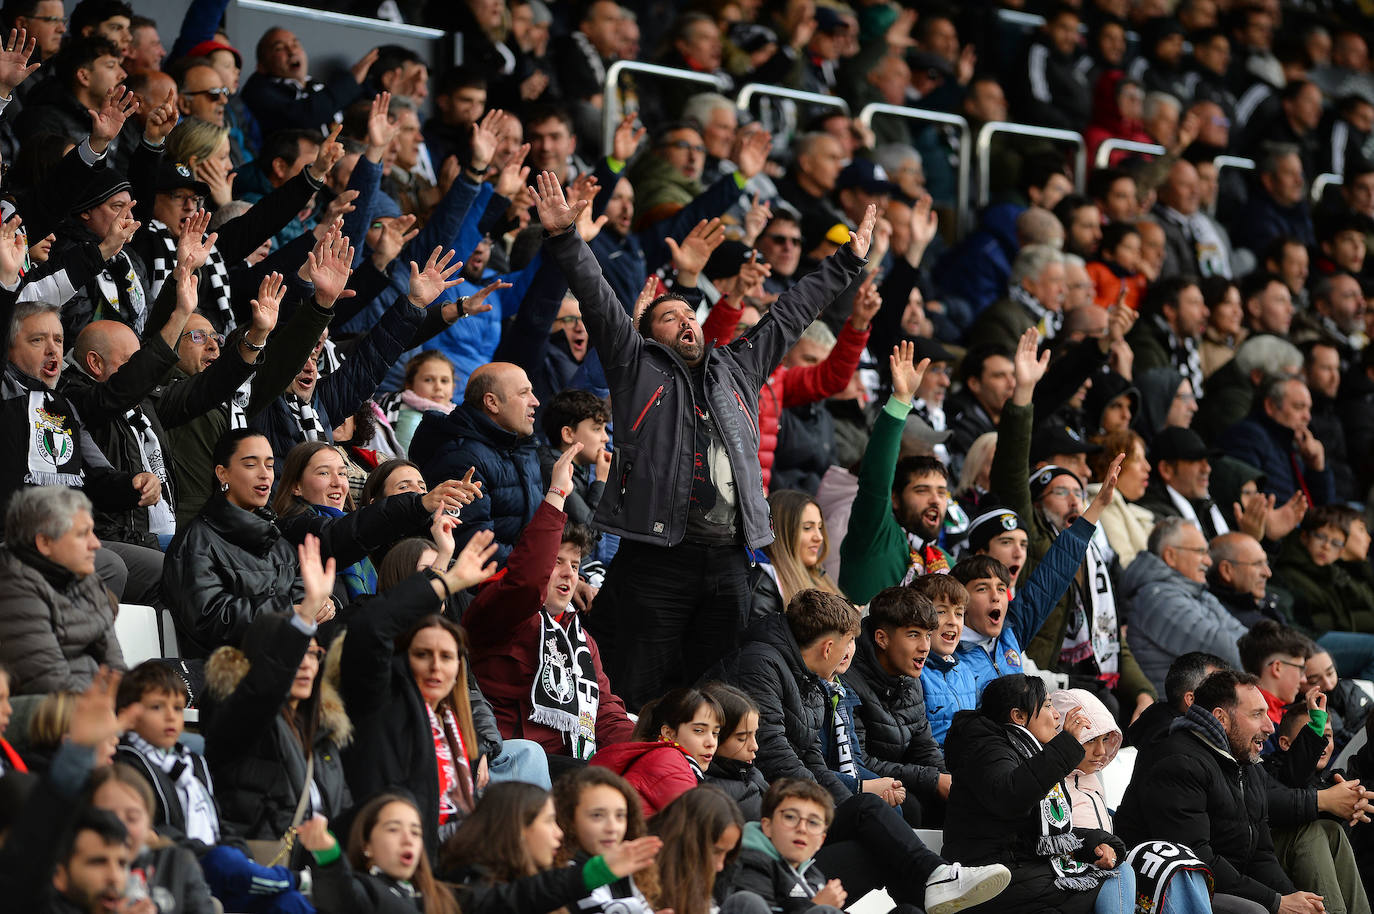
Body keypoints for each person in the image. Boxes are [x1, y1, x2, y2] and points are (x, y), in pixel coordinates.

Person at [530, 172, 878, 709]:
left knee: (718, 690)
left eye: (690, 314)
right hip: (658, 557)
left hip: (730, 561)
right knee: (641, 688)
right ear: (649, 334)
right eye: (670, 317)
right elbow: (598, 299)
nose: (686, 321)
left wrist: (845, 263)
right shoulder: (633, 364)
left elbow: (789, 314)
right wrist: (564, 238)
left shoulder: (737, 367)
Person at [707, 588, 1013, 914]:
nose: (849, 654)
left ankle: (937, 884)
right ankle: (937, 878)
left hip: (787, 810)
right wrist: (836, 808)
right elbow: (772, 752)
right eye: (847, 643)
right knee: (873, 822)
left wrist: (845, 805)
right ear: (829, 648)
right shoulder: (763, 664)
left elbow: (811, 758)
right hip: (768, 835)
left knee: (882, 837)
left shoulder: (813, 678)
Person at [340, 528, 549, 856]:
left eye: (447, 657)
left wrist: (481, 747)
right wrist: (447, 582)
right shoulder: (383, 684)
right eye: (423, 655)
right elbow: (372, 628)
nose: (437, 667)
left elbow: (475, 703)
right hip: (393, 849)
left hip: (450, 844)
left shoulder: (447, 706)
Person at [163, 429, 459, 657]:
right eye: (251, 465)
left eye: (269, 464)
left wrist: (323, 606)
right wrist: (292, 610)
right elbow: (208, 619)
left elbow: (302, 592)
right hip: (233, 669)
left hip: (295, 659)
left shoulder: (276, 538)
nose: (265, 474)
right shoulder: (198, 539)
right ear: (222, 473)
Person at [990, 330, 1155, 722]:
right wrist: (1024, 396)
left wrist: (1144, 691)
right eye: (1061, 492)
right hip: (1040, 684)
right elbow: (1012, 467)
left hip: (1095, 679)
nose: (1074, 500)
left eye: (1077, 491)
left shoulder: (1094, 551)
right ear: (1036, 503)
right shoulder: (1030, 541)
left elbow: (1113, 634)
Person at [465, 445, 633, 770]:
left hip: (570, 763)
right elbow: (528, 580)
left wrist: (644, 752)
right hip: (509, 764)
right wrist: (557, 494)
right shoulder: (503, 611)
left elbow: (606, 711)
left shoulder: (580, 638)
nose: (570, 572)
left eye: (575, 564)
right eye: (557, 561)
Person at [112, 660, 315, 913]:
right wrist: (212, 854)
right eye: (157, 707)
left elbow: (217, 822)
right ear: (129, 714)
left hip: (219, 867)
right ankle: (291, 880)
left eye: (177, 707)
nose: (170, 716)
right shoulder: (126, 765)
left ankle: (278, 883)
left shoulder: (193, 761)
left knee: (290, 903)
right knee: (224, 860)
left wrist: (239, 853)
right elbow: (153, 831)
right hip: (179, 869)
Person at [1116, 670, 1326, 914]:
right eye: (1257, 714)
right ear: (1221, 718)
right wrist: (1275, 902)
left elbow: (1261, 854)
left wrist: (1293, 899)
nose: (1270, 727)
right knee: (1257, 912)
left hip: (1222, 883)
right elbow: (1198, 859)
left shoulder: (1247, 764)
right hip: (1164, 889)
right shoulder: (1178, 762)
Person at [200, 540, 352, 854]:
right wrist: (306, 613)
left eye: (312, 655)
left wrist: (336, 869)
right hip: (263, 873)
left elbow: (341, 819)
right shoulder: (239, 717)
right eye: (296, 654)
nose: (306, 665)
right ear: (264, 661)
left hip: (315, 873)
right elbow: (261, 693)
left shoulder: (321, 731)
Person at [942, 673, 1130, 914]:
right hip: (986, 876)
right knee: (1112, 879)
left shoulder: (1023, 750)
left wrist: (1102, 843)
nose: (1056, 715)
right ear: (1018, 716)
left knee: (1117, 870)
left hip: (1018, 868)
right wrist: (1066, 746)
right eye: (1048, 705)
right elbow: (1011, 797)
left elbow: (1039, 833)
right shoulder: (986, 748)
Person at [1047, 688, 1215, 914]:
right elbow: (1048, 840)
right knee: (1123, 871)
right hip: (1072, 874)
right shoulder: (1047, 781)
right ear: (1062, 736)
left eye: (1105, 739)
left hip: (1106, 863)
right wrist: (1095, 849)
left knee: (1177, 862)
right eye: (1089, 741)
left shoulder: (1091, 776)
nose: (1100, 751)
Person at [438, 782, 663, 914]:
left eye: (620, 816)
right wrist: (595, 872)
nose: (559, 833)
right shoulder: (465, 883)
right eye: (549, 821)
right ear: (517, 827)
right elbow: (514, 898)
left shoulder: (530, 880)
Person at [838, 341, 945, 604]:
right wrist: (900, 401)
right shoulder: (875, 535)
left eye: (942, 492)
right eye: (922, 490)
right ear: (894, 498)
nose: (935, 500)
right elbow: (876, 475)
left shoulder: (944, 563)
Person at [0, 486, 123, 696]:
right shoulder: (14, 589)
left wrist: (130, 708)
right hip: (45, 719)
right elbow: (48, 685)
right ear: (45, 542)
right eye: (83, 534)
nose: (96, 544)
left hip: (94, 711)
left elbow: (117, 671)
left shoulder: (89, 582)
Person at [841, 585, 949, 823]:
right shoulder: (848, 679)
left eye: (928, 635)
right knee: (910, 808)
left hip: (899, 780)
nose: (925, 646)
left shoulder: (910, 679)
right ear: (882, 638)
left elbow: (924, 748)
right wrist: (932, 779)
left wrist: (946, 778)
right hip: (861, 787)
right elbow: (861, 762)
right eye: (913, 635)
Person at [1120, 517, 1249, 692]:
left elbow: (1249, 642)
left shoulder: (1198, 592)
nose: (1208, 561)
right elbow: (1228, 653)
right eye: (1200, 552)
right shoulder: (1157, 599)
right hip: (1176, 714)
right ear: (1171, 556)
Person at [86, 765, 217, 914]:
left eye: (132, 818)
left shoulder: (177, 862)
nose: (120, 828)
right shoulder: (74, 871)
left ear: (148, 824)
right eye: (108, 817)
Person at [299, 793, 461, 914]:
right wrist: (329, 857)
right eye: (393, 829)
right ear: (366, 845)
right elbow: (344, 896)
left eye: (415, 832)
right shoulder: (365, 891)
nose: (408, 840)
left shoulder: (441, 897)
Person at [589, 686, 722, 817]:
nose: (711, 743)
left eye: (715, 733)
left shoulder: (668, 758)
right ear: (669, 733)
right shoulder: (669, 759)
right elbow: (698, 826)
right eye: (699, 731)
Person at [733, 778, 856, 914]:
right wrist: (816, 907)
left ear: (821, 840)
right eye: (790, 817)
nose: (802, 828)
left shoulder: (813, 875)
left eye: (813, 822)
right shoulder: (751, 865)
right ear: (767, 826)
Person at [551, 766, 662, 914]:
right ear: (569, 819)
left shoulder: (631, 868)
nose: (612, 828)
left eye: (620, 816)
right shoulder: (562, 876)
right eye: (597, 815)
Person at [1273, 506, 1374, 661]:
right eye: (1320, 537)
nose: (1326, 546)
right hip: (1306, 642)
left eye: (1335, 543)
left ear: (1341, 551)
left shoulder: (1330, 573)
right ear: (1305, 537)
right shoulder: (1291, 571)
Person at [651, 787, 757, 914]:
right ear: (689, 839)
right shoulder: (635, 874)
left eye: (727, 854)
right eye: (715, 851)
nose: (720, 866)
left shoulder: (710, 879)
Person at [754, 489, 842, 618]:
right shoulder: (764, 585)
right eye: (807, 528)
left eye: (819, 527)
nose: (819, 537)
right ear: (782, 534)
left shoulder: (817, 574)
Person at [701, 682, 769, 821]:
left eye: (755, 734)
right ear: (714, 738)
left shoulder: (750, 772)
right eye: (742, 738)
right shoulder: (711, 795)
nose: (754, 746)